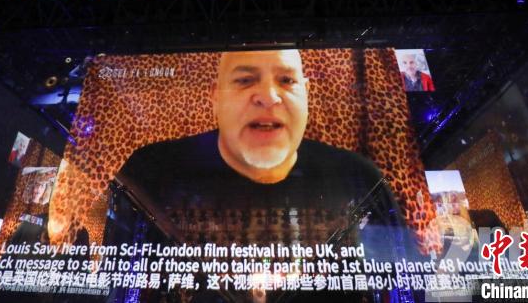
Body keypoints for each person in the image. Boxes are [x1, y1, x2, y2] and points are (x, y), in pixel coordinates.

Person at [112, 50, 404, 300]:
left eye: (286, 80)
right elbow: (123, 285)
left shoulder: (359, 178)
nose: (268, 97)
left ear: (307, 93)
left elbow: (394, 284)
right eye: (244, 80)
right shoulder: (150, 172)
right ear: (214, 95)